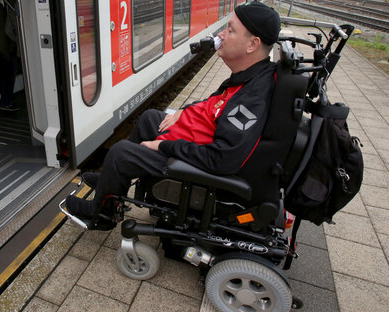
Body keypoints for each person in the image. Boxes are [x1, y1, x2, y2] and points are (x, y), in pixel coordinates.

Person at [66, 2, 282, 219]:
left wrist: (164, 146)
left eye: (230, 30)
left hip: (196, 164)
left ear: (252, 44)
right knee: (150, 118)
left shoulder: (252, 99)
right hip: (196, 140)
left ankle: (102, 214)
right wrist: (184, 111)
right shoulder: (252, 75)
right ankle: (110, 182)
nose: (221, 34)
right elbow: (216, 103)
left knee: (120, 153)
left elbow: (222, 159)